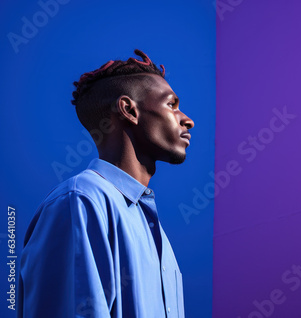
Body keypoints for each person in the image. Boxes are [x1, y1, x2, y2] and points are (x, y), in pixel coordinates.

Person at [18, 49, 194, 318]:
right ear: (129, 110)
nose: (187, 120)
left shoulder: (157, 236)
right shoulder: (81, 202)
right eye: (172, 104)